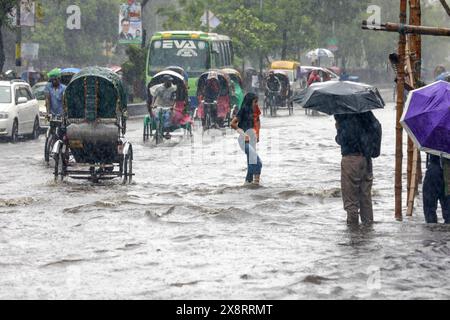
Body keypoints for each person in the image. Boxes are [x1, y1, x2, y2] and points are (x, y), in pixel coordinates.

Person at [334, 111, 382, 225]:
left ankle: (353, 234)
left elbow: (343, 139)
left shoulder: (344, 113)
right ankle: (367, 231)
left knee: (350, 201)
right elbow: (377, 127)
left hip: (351, 159)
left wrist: (338, 128)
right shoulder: (366, 112)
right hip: (366, 159)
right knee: (365, 198)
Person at [231, 93, 262, 186]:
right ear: (250, 102)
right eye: (255, 102)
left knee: (251, 164)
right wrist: (243, 134)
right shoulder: (243, 110)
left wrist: (257, 135)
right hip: (244, 140)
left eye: (257, 102)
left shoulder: (255, 110)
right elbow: (232, 124)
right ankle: (255, 185)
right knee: (257, 163)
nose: (256, 104)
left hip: (252, 140)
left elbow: (257, 122)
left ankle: (250, 185)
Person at [422, 154, 450, 224]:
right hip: (444, 173)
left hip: (434, 171)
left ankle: (432, 232)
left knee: (429, 210)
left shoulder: (434, 143)